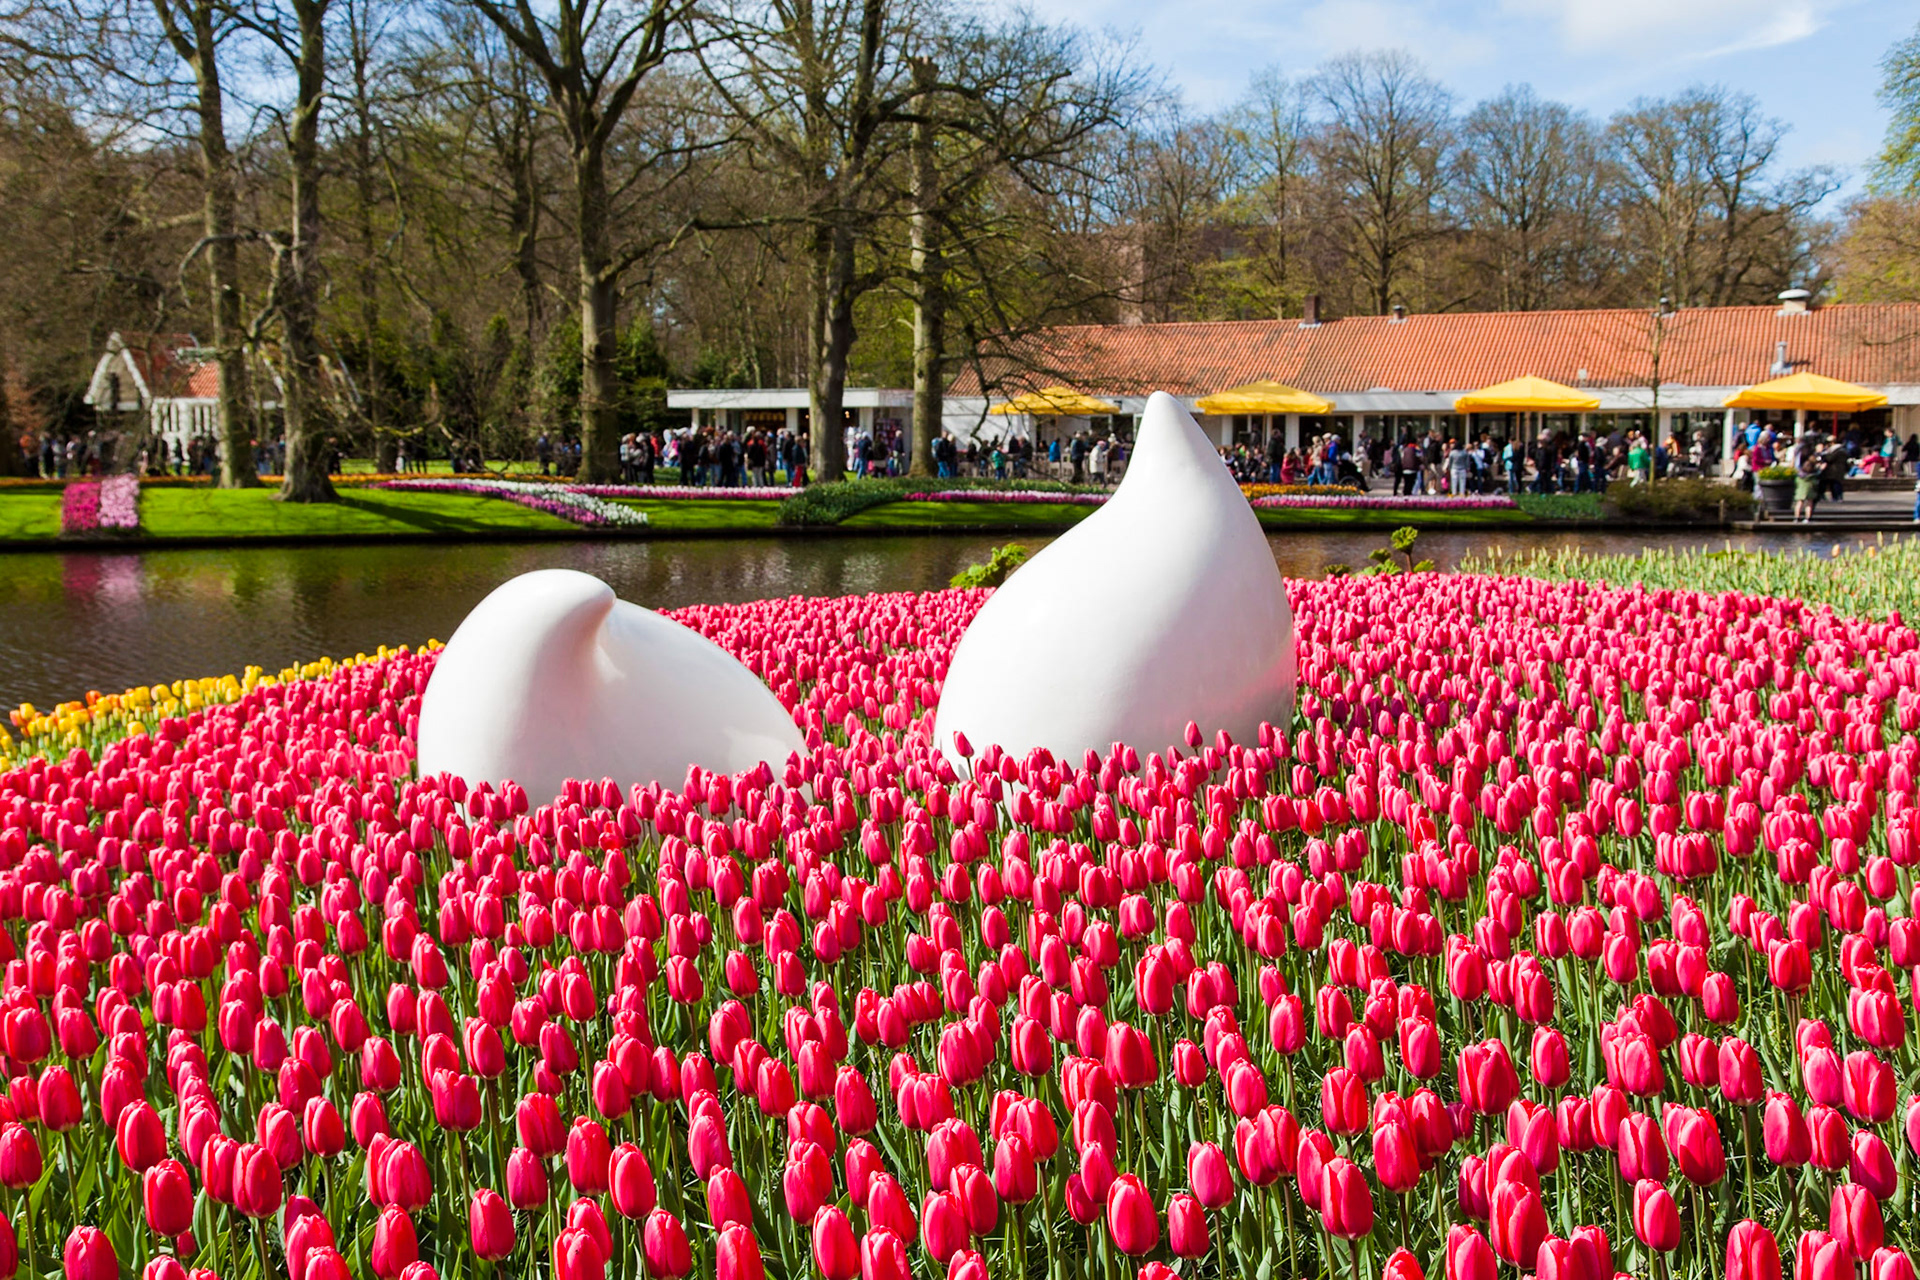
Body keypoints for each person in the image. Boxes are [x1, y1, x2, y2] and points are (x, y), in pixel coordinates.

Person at [1792, 434, 1822, 522]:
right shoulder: (1811, 452)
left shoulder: (1798, 450)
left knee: (1800, 501)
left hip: (1801, 477)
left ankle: (1796, 518)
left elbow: (1795, 463)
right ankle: (1808, 518)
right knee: (1810, 501)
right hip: (1810, 479)